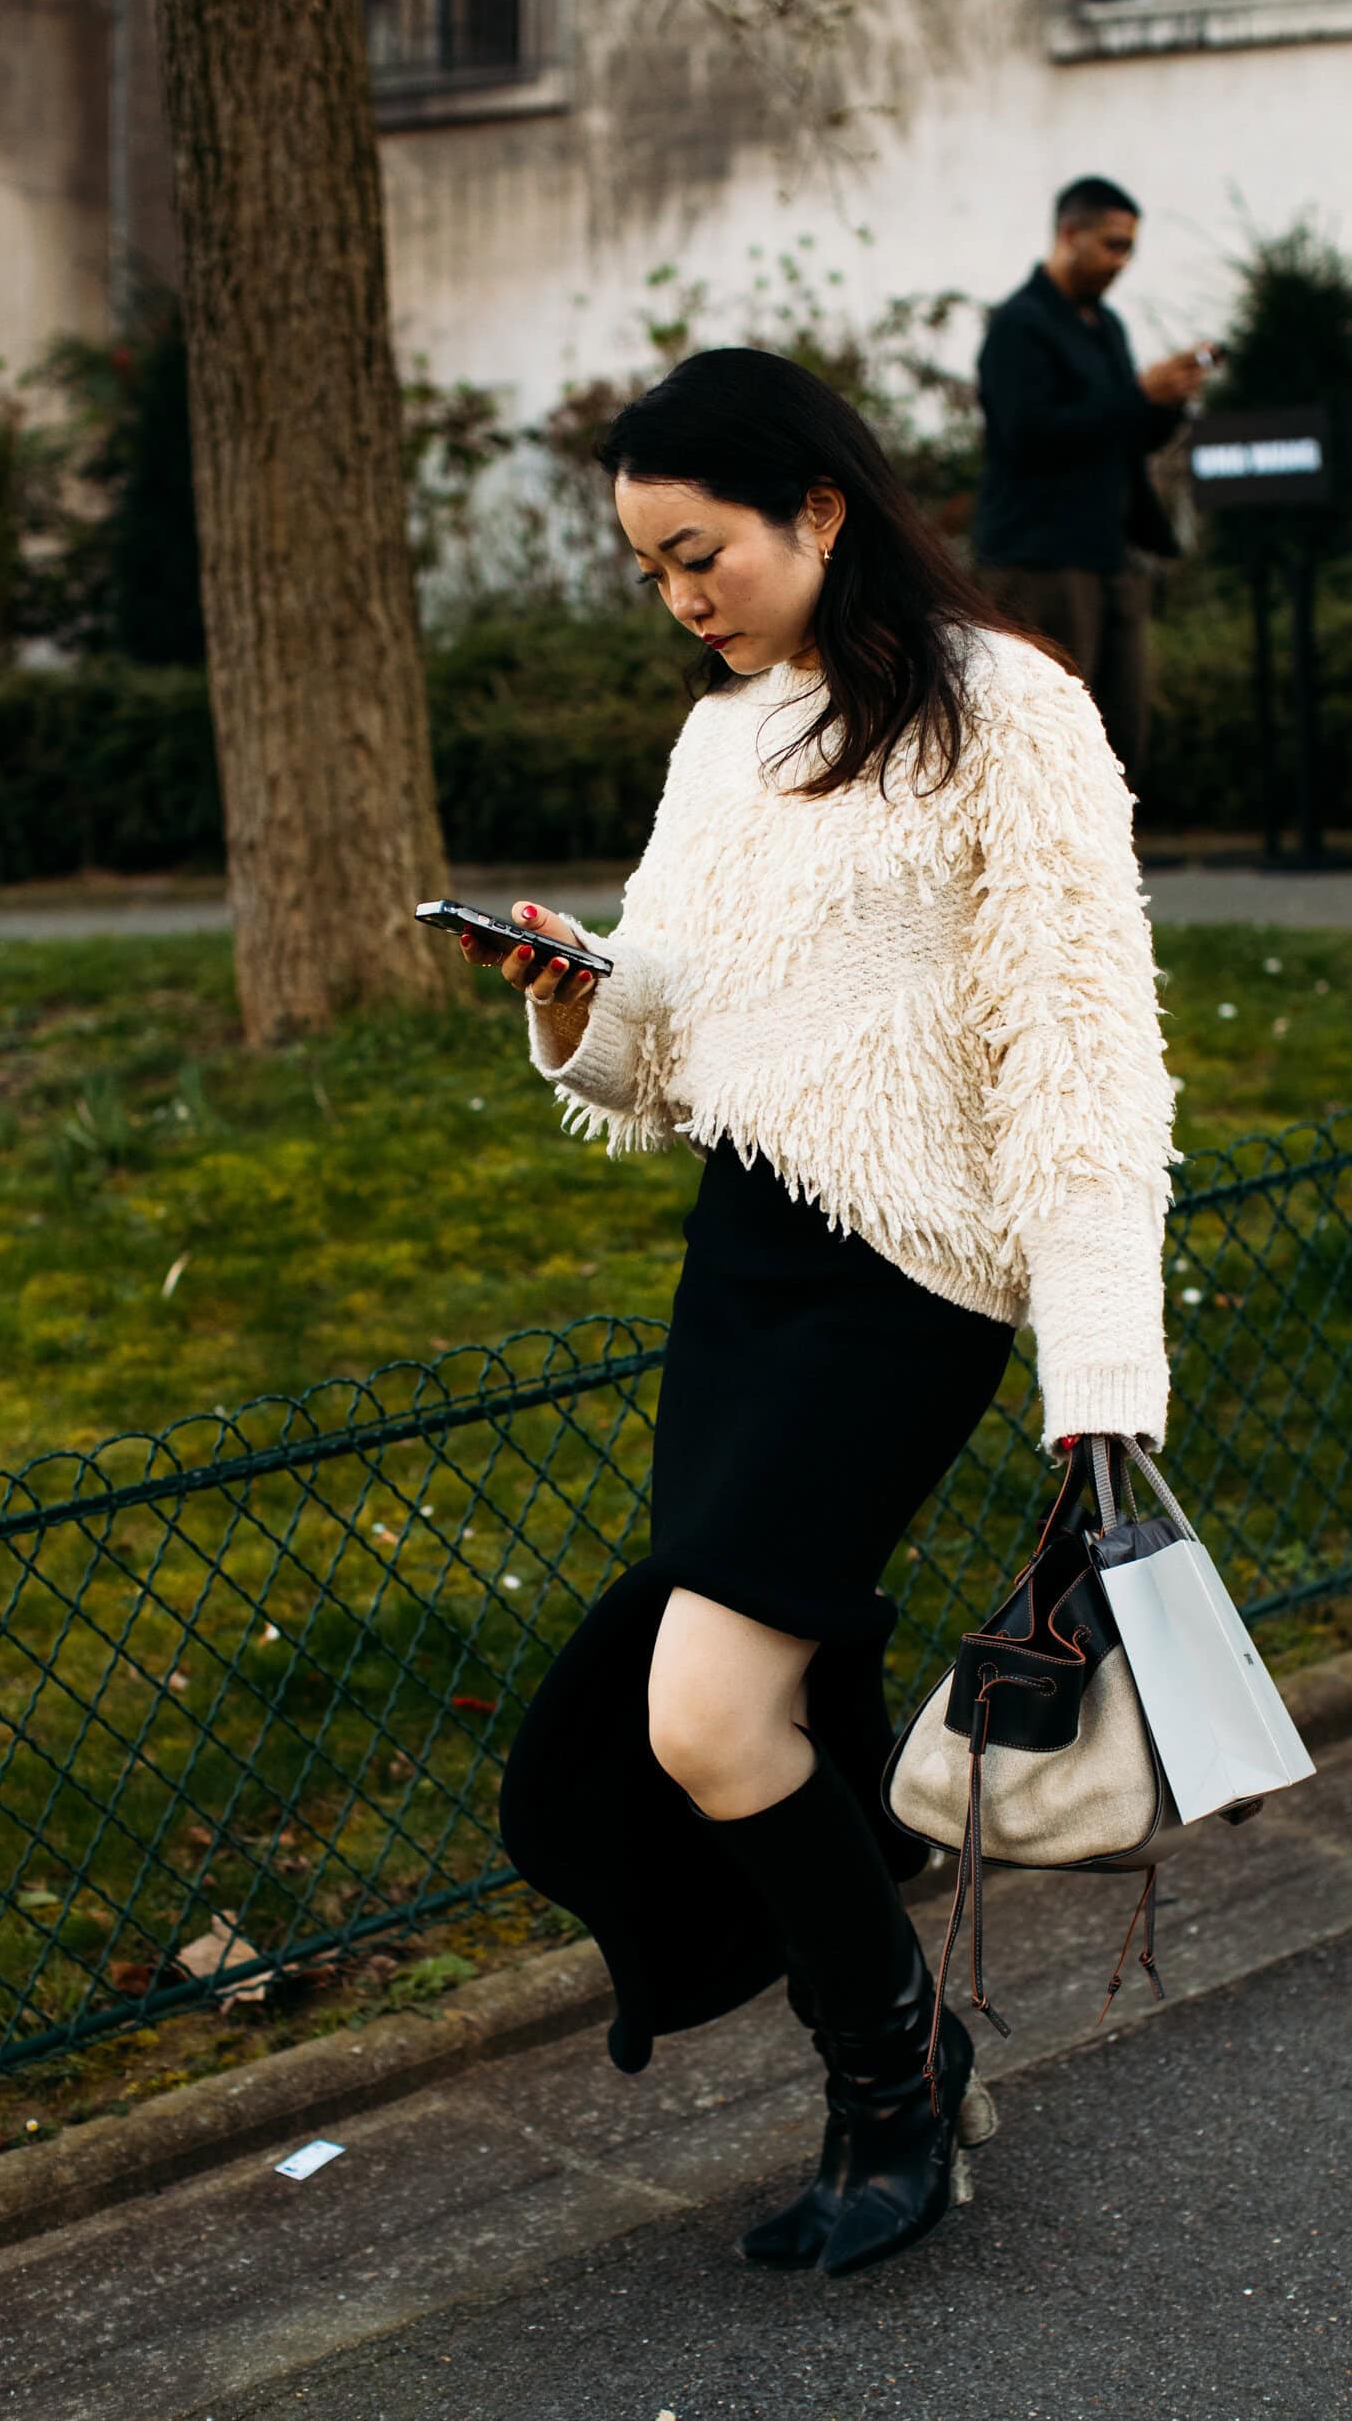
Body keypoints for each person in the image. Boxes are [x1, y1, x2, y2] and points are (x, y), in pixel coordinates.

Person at [467, 347, 1177, 2279]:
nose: (684, 596)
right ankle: (899, 2044)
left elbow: (1082, 1049)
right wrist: (570, 998)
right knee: (757, 1705)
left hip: (910, 1277)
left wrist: (1100, 1365)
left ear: (820, 506)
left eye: (701, 551)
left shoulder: (1004, 711)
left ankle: (894, 2078)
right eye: (651, 571)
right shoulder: (719, 739)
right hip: (748, 1259)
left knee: (701, 1715)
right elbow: (668, 1050)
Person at [974, 173, 1213, 778]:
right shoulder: (1019, 326)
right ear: (1069, 233)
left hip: (1108, 553)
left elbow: (1122, 439)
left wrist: (1166, 402)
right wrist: (1138, 395)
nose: (1122, 261)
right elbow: (1030, 436)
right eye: (1111, 244)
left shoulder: (1106, 328)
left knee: (1118, 737)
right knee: (1047, 744)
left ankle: (1102, 868)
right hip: (1039, 559)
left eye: (1129, 247)